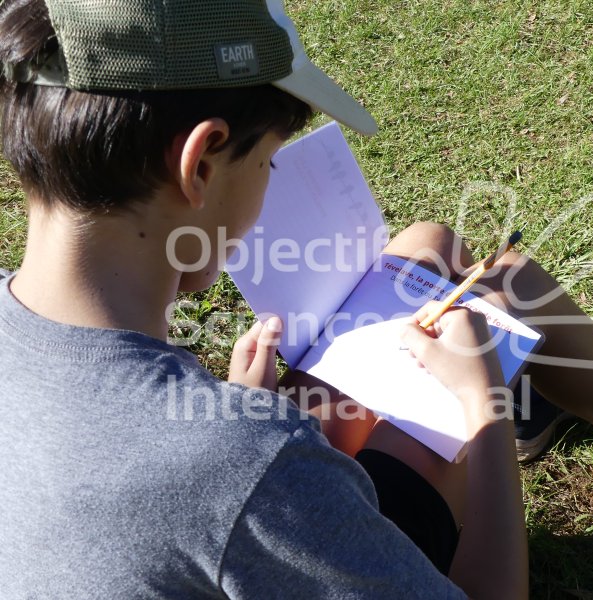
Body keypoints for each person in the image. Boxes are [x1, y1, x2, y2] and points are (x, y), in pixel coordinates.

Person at [0, 1, 525, 598]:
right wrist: (487, 404)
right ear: (199, 164)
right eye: (269, 159)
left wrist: (238, 422)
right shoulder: (246, 465)